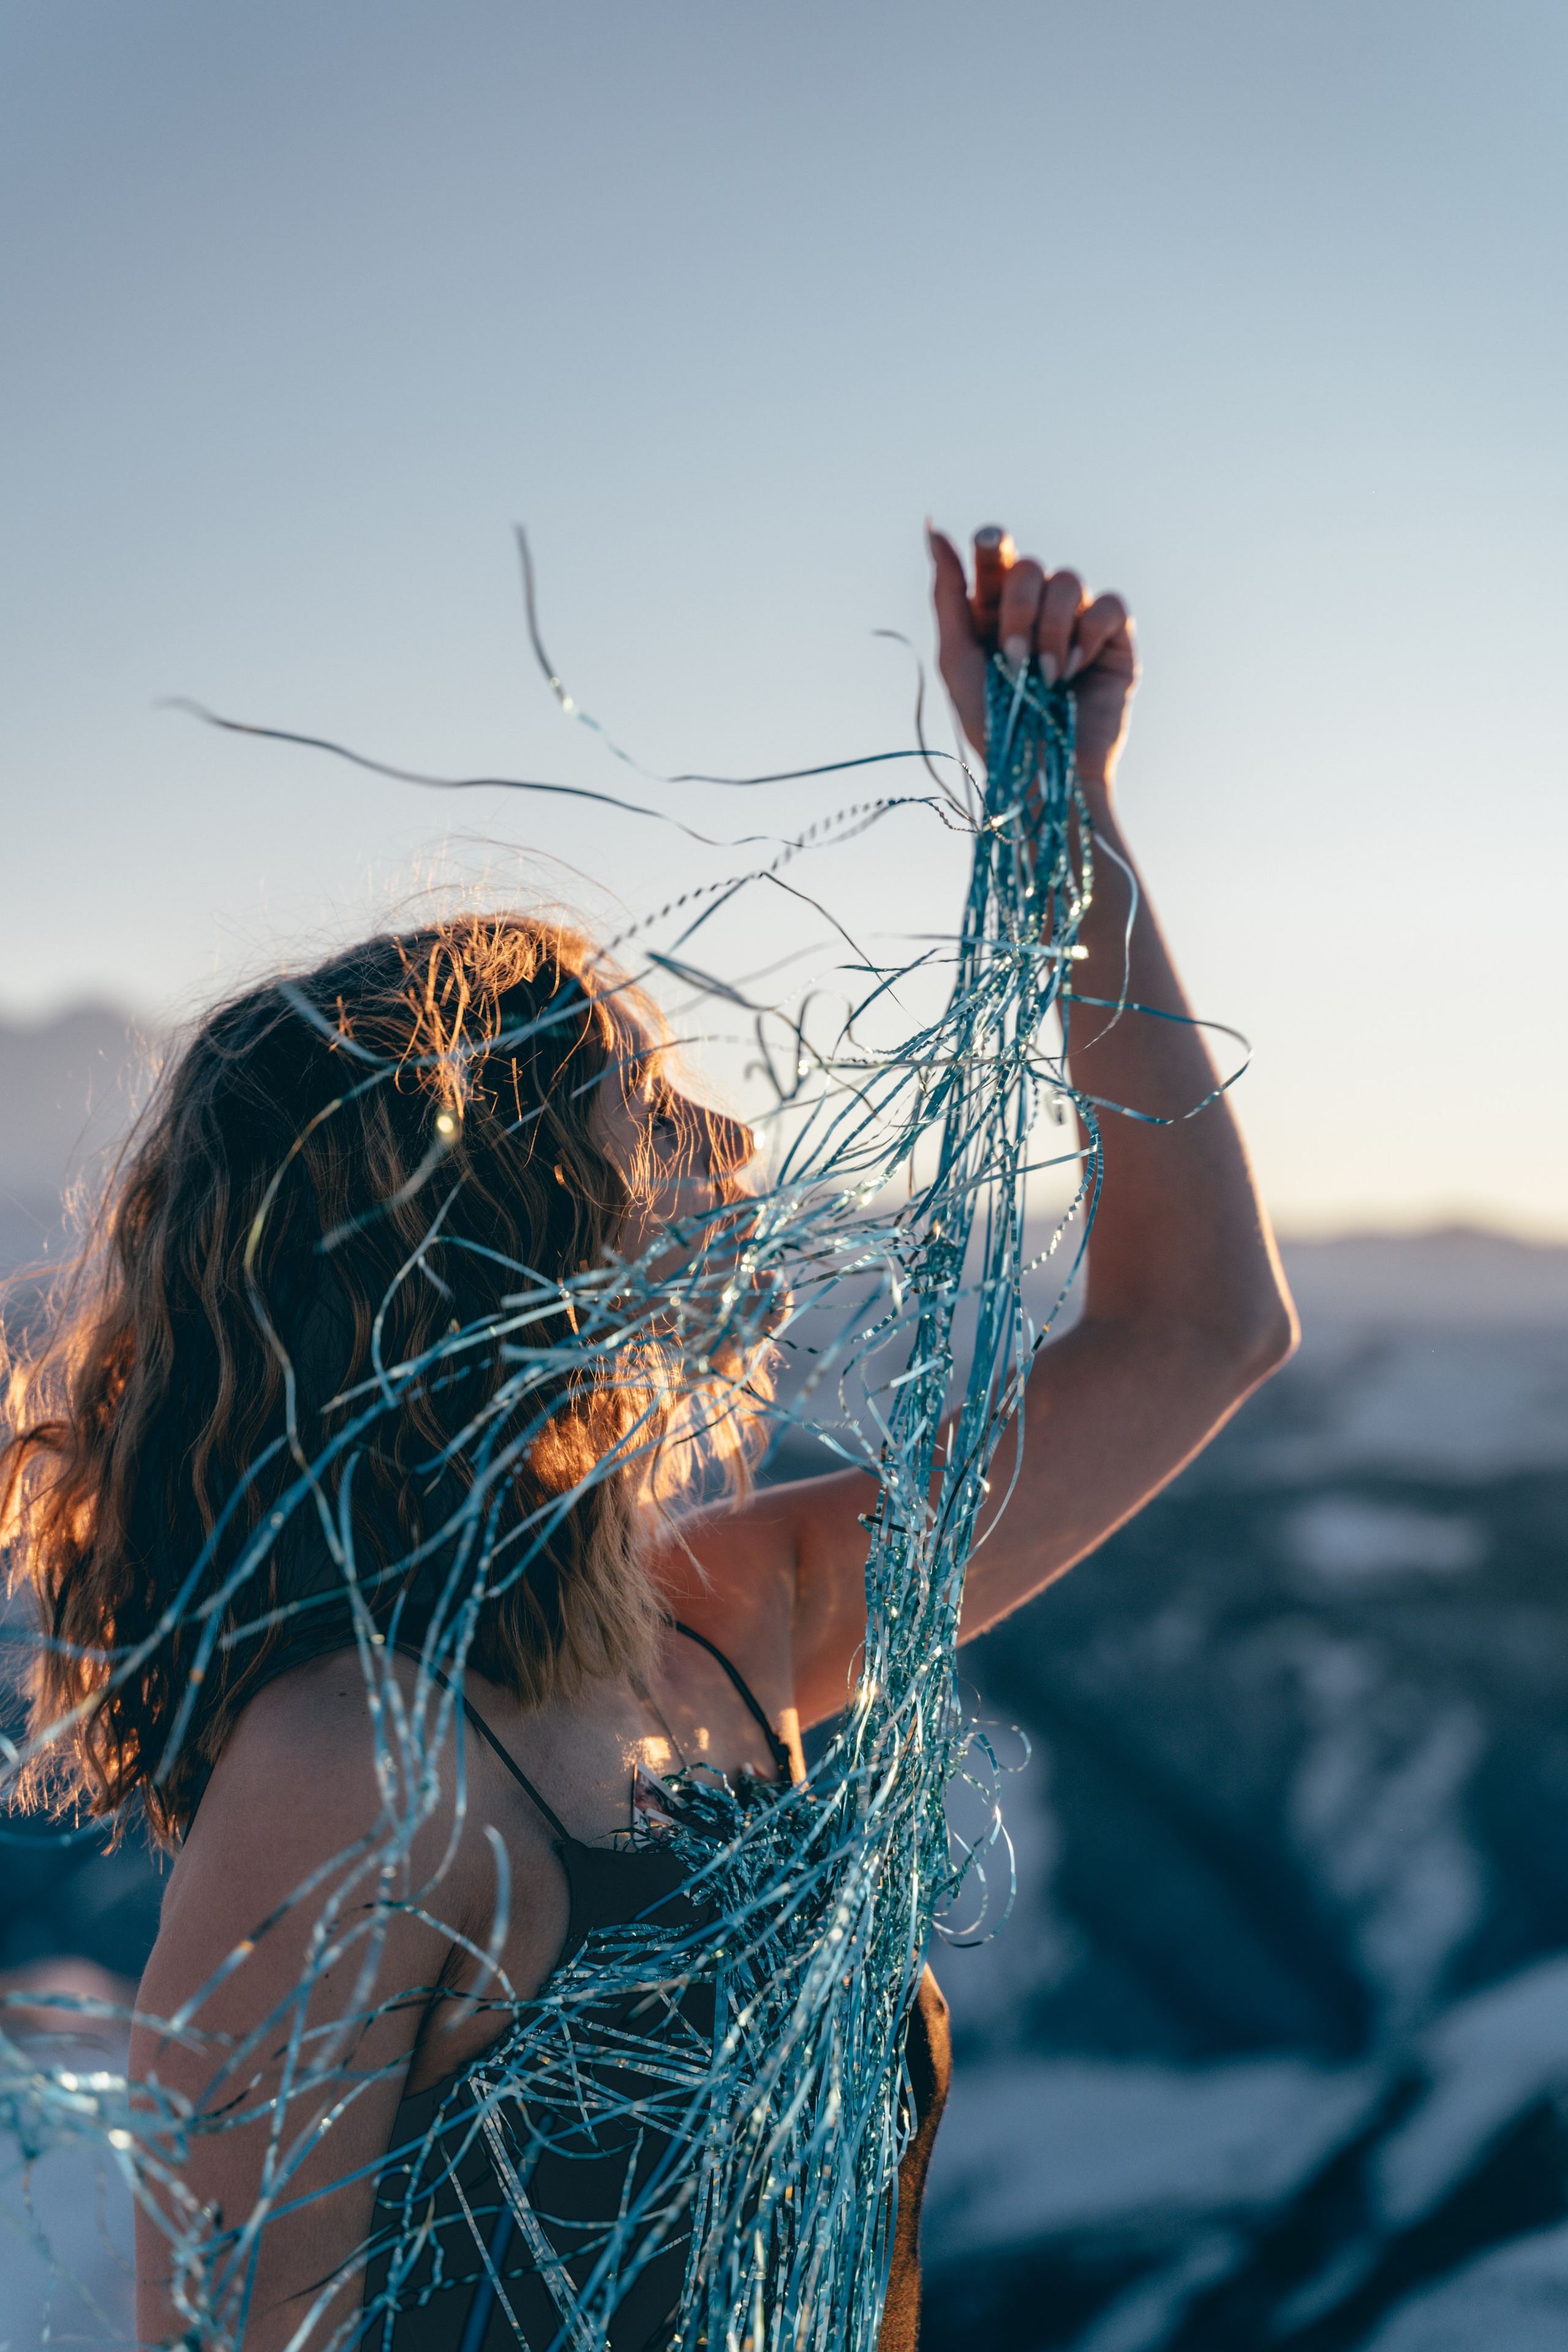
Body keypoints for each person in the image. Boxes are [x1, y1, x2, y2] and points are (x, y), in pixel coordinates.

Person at [2, 526, 1296, 2351]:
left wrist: (1062, 825)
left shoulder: (726, 1618)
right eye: (656, 1110)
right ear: (502, 1242)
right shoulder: (352, 1775)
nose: (736, 1150)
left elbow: (1200, 1333)